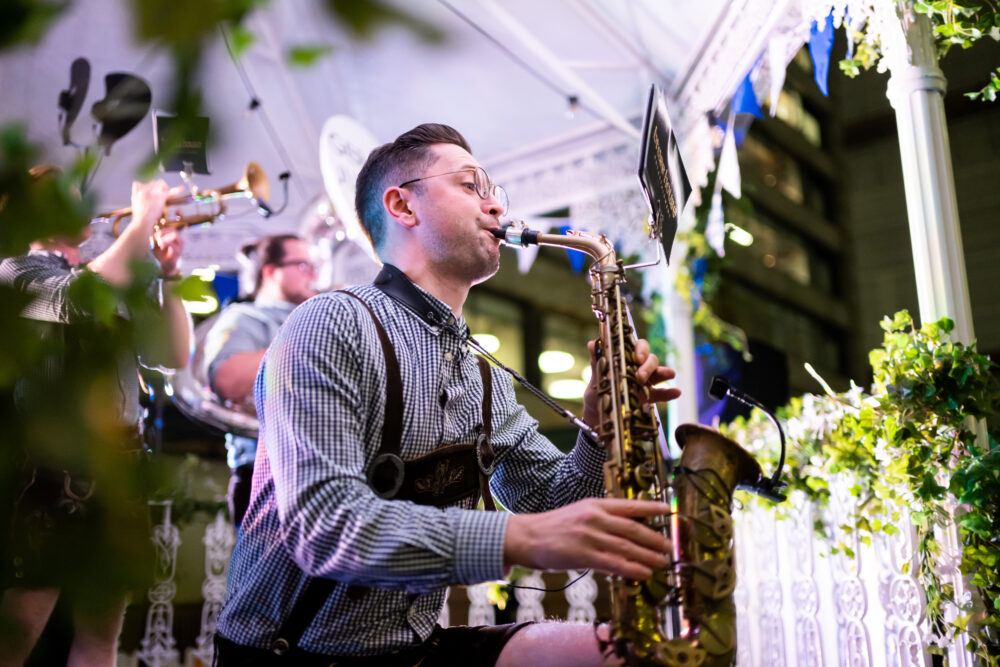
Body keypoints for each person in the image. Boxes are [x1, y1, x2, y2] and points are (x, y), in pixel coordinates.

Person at [215, 123, 681, 666]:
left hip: (412, 648)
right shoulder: (329, 322)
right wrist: (520, 537)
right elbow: (326, 527)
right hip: (289, 656)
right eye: (470, 185)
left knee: (622, 656)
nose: (496, 205)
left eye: (493, 192)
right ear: (402, 206)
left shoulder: (483, 374)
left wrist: (599, 428)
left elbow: (548, 502)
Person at [0, 172, 192, 667]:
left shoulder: (112, 273)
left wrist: (169, 274)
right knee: (15, 639)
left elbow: (173, 354)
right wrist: (143, 220)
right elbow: (74, 302)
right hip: (50, 467)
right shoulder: (13, 271)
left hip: (121, 463)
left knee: (102, 635)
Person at [201, 234, 318, 529]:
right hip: (264, 475)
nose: (314, 275)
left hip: (315, 469)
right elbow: (226, 380)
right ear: (271, 272)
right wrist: (314, 336)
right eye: (303, 265)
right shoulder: (243, 316)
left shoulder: (309, 315)